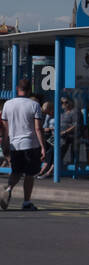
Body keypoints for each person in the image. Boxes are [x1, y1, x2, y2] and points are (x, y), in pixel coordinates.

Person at [1, 78, 47, 211]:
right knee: (29, 174)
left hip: (15, 144)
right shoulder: (34, 105)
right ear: (29, 90)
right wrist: (43, 146)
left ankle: (8, 189)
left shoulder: (8, 104)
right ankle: (26, 202)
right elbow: (38, 128)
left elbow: (5, 128)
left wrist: (5, 144)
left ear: (17, 88)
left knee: (16, 171)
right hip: (31, 144)